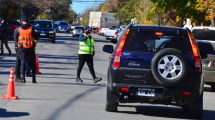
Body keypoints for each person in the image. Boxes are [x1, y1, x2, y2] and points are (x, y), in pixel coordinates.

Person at [14, 16, 37, 83]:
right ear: (28, 21)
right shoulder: (31, 28)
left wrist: (16, 48)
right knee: (32, 63)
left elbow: (15, 40)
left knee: (22, 62)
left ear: (22, 21)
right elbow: (36, 36)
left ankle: (23, 78)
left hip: (21, 48)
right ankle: (34, 78)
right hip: (30, 48)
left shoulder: (18, 29)